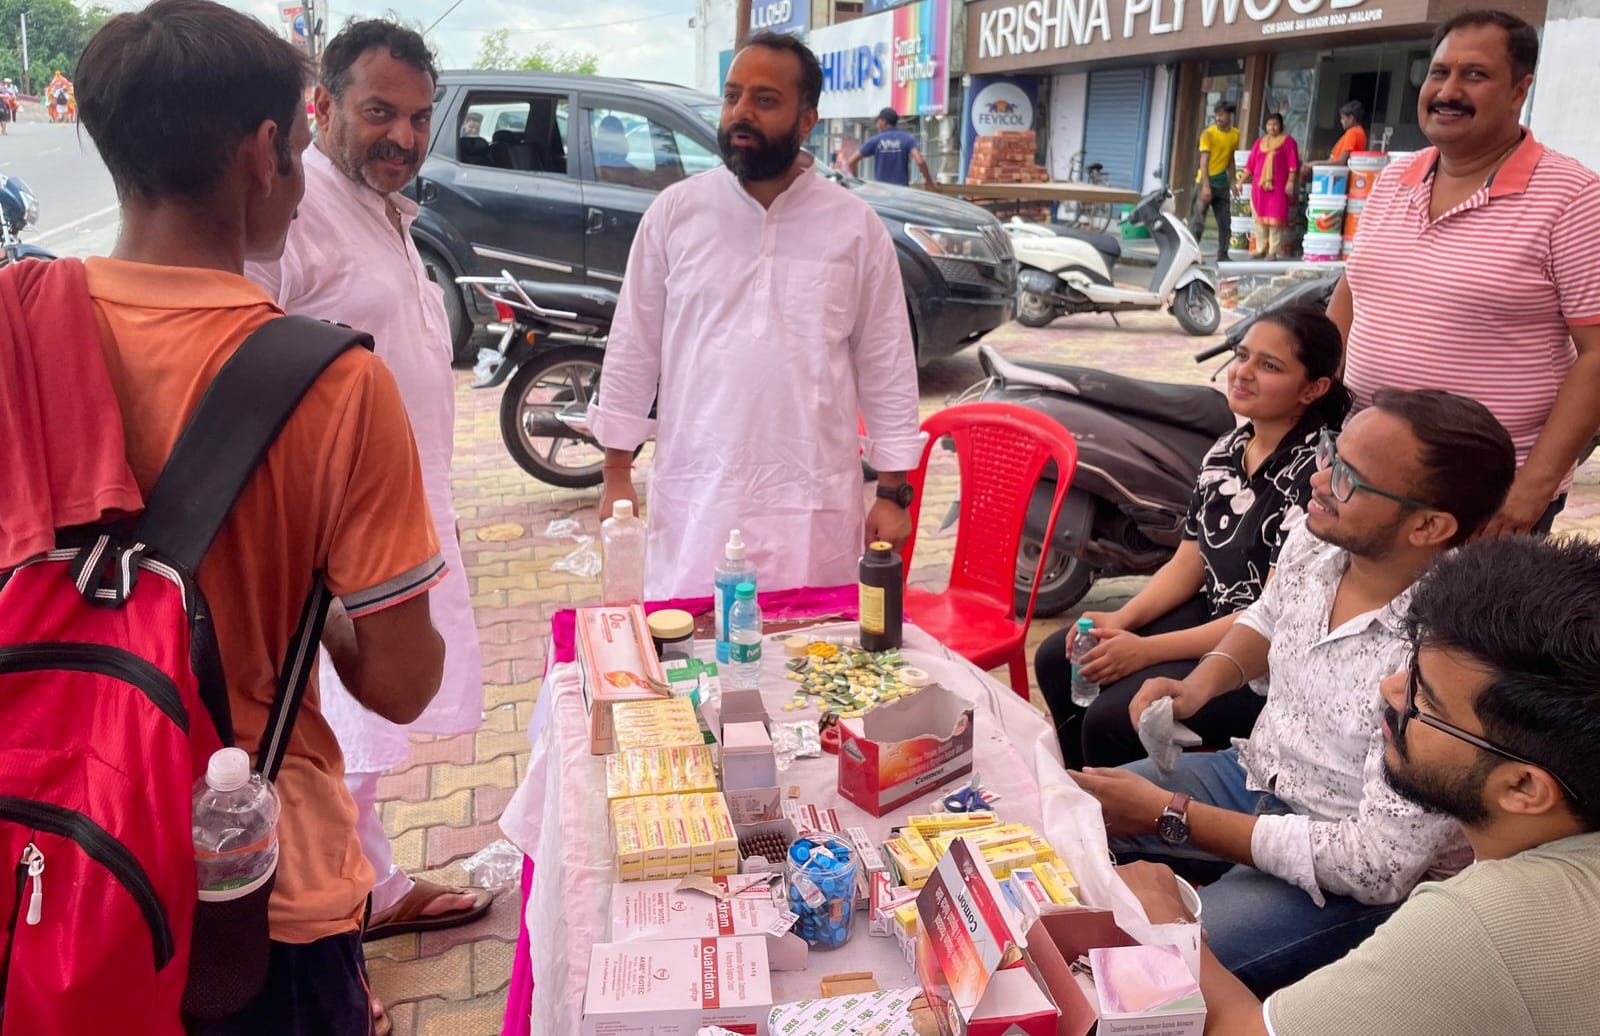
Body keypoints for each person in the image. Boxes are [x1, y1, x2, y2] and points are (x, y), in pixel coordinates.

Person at [70, 1, 447, 1030]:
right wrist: (314, 598)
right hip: (251, 886)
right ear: (265, 150)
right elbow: (402, 681)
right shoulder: (331, 382)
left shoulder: (24, 331)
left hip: (58, 853)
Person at [1071, 389, 1517, 996]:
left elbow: (1376, 865)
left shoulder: (1450, 654)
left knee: (1145, 977)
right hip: (1257, 774)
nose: (1318, 477)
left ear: (1429, 526)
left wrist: (1171, 815)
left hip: (1346, 867)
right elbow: (1271, 613)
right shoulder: (1322, 538)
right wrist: (1201, 683)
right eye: (1332, 452)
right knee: (1065, 817)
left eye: (1348, 477)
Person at [244, 20, 492, 1028]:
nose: (404, 136)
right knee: (318, 746)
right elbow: (242, 361)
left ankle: (373, 889)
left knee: (364, 744)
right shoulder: (295, 215)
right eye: (380, 111)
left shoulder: (384, 210)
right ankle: (325, 957)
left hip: (402, 513)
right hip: (324, 536)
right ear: (324, 106)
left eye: (420, 117)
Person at [1118, 534, 1600, 1036]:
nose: (1389, 690)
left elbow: (1240, 1030)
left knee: (1133, 968)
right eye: (1410, 669)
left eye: (1424, 699)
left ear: (1523, 787)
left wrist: (1166, 924)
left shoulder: (1476, 928)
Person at [589, 32, 922, 600]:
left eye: (765, 100)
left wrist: (892, 494)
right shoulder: (676, 213)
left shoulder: (854, 227)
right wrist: (617, 472)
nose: (741, 112)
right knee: (693, 642)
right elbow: (633, 346)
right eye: (732, 96)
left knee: (812, 648)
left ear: (807, 119)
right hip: (699, 499)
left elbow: (886, 363)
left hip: (811, 504)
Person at [1035, 307, 1350, 770]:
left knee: (1111, 719)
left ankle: (1117, 809)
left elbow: (1271, 613)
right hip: (1217, 613)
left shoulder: (1317, 475)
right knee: (1059, 659)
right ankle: (1077, 789)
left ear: (1313, 388)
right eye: (1242, 355)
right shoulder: (1228, 449)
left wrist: (1143, 650)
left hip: (1267, 655)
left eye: (1269, 365)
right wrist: (1122, 619)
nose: (1243, 372)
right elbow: (1190, 560)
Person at [1329, 9, 1600, 537]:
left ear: (1520, 91)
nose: (1448, 91)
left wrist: (1530, 492)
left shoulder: (1573, 198)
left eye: (1475, 74)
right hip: (1361, 475)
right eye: (1439, 72)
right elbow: (1353, 291)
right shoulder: (1393, 180)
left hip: (1483, 498)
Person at [1244, 113, 1300, 259]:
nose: (1272, 127)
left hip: (1278, 187)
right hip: (1259, 187)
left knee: (1275, 219)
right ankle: (1261, 248)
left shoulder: (1288, 142)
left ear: (1281, 126)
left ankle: (1273, 251)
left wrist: (1291, 182)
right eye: (1269, 124)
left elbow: (1293, 165)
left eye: (1275, 124)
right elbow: (1250, 166)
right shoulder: (1260, 142)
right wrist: (1239, 181)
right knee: (1259, 218)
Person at [1189, 101, 1239, 263]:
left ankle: (1223, 255)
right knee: (1197, 222)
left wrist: (1233, 181)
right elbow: (1203, 161)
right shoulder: (1208, 134)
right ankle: (1191, 255)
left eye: (1222, 115)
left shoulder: (1235, 135)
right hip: (1205, 181)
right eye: (1217, 115)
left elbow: (1231, 159)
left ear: (1230, 116)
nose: (1218, 118)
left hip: (1222, 183)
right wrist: (1205, 186)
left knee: (1225, 222)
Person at [848, 107, 932, 187]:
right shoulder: (907, 138)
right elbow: (920, 161)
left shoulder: (875, 140)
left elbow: (851, 161)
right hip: (902, 190)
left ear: (884, 121)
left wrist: (856, 183)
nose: (877, 124)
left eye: (879, 121)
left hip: (882, 190)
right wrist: (929, 182)